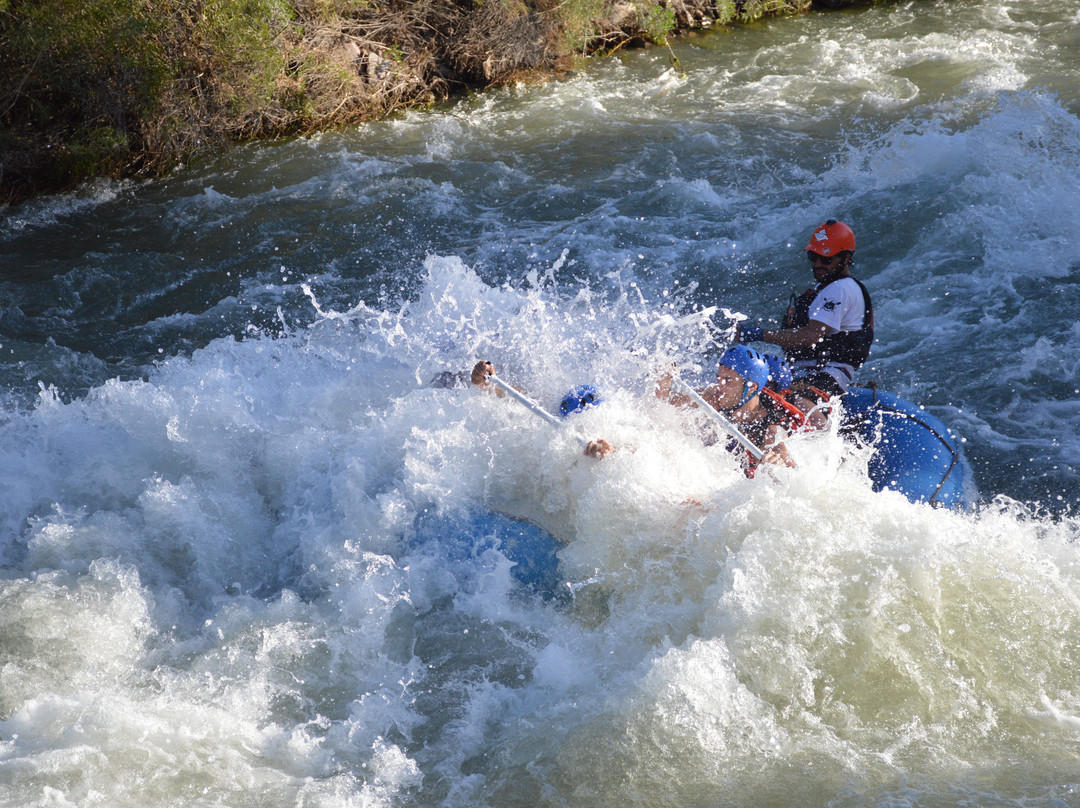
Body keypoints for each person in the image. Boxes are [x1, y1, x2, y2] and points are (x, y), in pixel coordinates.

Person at [736, 219, 874, 409]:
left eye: (826, 259)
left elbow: (809, 337)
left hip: (828, 376)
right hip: (805, 373)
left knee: (787, 405)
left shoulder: (842, 289)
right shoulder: (825, 288)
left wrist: (757, 334)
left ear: (846, 258)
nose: (818, 264)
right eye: (813, 256)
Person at [656, 345, 802, 476]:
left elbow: (794, 480)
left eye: (728, 380)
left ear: (751, 387)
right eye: (718, 378)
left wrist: (777, 467)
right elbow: (665, 403)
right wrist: (664, 379)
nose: (719, 385)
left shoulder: (773, 431)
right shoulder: (714, 397)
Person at [470, 360, 614, 458]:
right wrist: (489, 382)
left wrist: (610, 453)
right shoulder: (553, 408)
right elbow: (513, 396)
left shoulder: (627, 429)